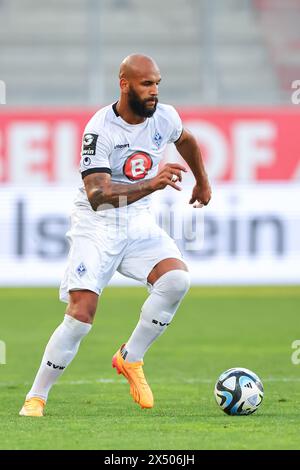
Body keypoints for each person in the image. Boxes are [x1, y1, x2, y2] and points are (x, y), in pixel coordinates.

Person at [19, 54, 211, 417]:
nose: (154, 92)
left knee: (176, 280)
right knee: (80, 316)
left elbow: (186, 140)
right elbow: (98, 197)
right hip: (98, 225)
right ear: (124, 84)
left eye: (157, 83)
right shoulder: (99, 130)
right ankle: (36, 396)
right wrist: (152, 183)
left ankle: (131, 358)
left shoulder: (165, 116)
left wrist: (203, 181)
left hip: (137, 222)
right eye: (146, 84)